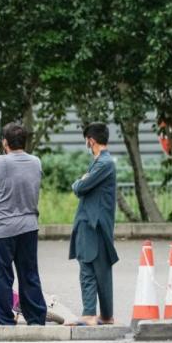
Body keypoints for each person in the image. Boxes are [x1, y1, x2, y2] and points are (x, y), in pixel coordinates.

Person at [0, 123, 47, 326]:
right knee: (29, 273)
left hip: (1, 229)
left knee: (2, 275)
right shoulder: (36, 162)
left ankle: (5, 319)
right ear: (25, 141)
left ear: (5, 142)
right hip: (28, 226)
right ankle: (35, 317)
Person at [67, 122, 119, 326]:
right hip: (96, 223)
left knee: (88, 266)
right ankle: (106, 315)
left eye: (86, 140)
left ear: (91, 140)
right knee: (100, 268)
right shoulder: (102, 162)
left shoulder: (103, 163)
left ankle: (89, 314)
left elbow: (80, 187)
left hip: (92, 224)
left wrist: (79, 181)